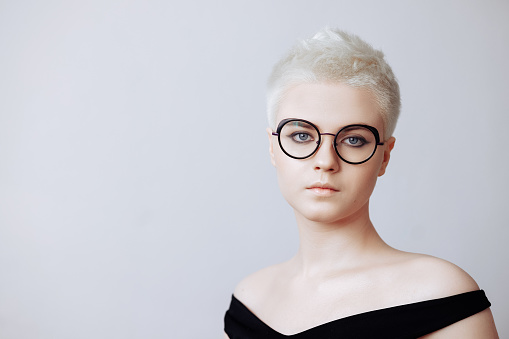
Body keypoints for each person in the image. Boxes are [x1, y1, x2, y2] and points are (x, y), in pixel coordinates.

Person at [223, 28, 498, 338]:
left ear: (384, 156)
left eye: (353, 139)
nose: (326, 160)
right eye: (301, 136)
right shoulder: (250, 300)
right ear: (273, 148)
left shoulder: (438, 295)